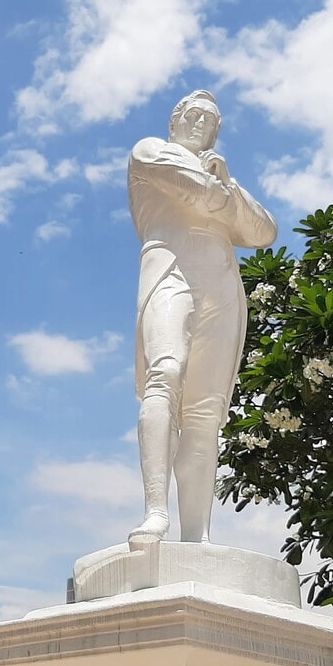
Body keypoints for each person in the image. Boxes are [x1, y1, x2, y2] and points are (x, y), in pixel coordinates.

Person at [128, 90, 278, 546]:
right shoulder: (152, 151)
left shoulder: (220, 175)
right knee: (165, 374)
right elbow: (190, 189)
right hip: (170, 269)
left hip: (221, 284)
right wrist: (223, 192)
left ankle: (197, 535)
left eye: (210, 120)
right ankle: (156, 512)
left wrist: (226, 187)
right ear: (175, 121)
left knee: (206, 411)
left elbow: (263, 231)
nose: (201, 124)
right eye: (193, 115)